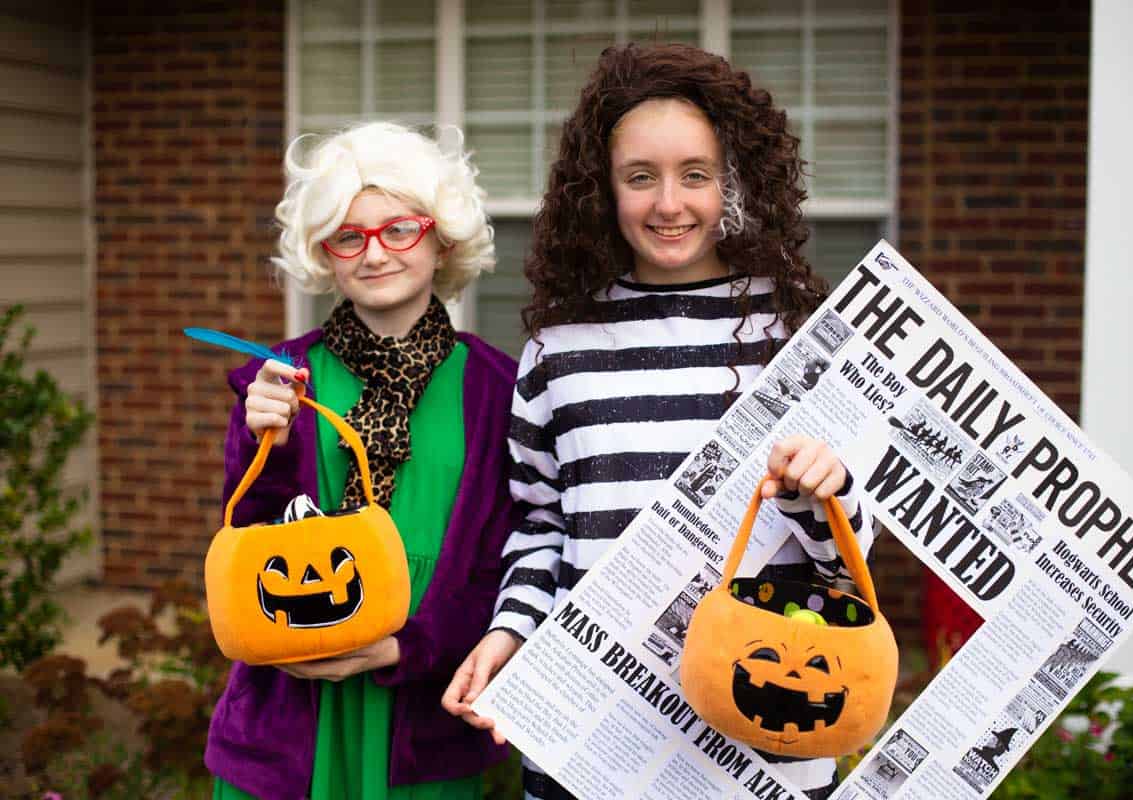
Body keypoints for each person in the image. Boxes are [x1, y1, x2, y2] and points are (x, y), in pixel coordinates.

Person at [441, 43, 876, 800]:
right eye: (640, 177)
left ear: (732, 182)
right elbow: (543, 526)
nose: (668, 204)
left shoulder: (796, 332)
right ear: (601, 191)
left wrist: (824, 489)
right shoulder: (557, 345)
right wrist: (507, 632)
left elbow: (850, 568)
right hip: (594, 738)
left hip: (764, 735)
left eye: (695, 175)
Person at [204, 121, 517, 800]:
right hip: (289, 721)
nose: (375, 254)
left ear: (442, 235)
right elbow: (250, 542)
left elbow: (504, 566)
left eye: (398, 229)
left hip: (422, 717)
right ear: (327, 254)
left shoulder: (500, 390)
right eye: (350, 236)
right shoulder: (281, 380)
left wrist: (412, 648)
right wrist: (267, 441)